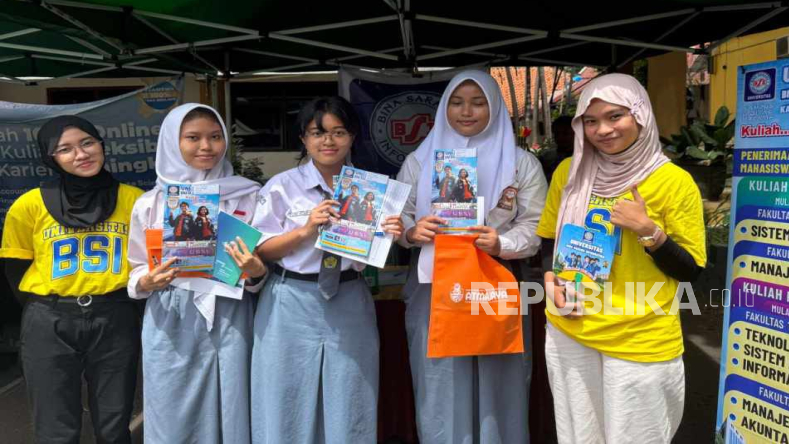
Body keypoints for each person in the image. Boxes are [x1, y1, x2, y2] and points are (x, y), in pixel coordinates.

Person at [538, 74, 706, 444]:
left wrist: (649, 231)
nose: (603, 130)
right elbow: (549, 239)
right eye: (591, 121)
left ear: (640, 115)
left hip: (638, 338)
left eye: (615, 116)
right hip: (570, 329)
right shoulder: (569, 171)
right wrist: (549, 280)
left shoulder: (674, 182)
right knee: (579, 436)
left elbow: (690, 270)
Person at [397, 70, 547, 444]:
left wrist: (503, 243)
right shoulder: (420, 161)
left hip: (496, 278)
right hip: (435, 282)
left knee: (501, 380)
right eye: (457, 102)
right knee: (440, 381)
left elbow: (536, 225)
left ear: (494, 107)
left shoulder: (520, 163)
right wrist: (412, 231)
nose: (467, 112)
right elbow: (397, 215)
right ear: (444, 108)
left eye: (478, 103)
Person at [250, 96, 404, 444]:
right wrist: (306, 230)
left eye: (339, 132)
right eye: (318, 133)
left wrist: (390, 234)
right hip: (289, 300)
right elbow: (262, 250)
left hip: (349, 296)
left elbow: (373, 254)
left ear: (352, 137)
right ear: (303, 139)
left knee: (351, 395)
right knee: (285, 397)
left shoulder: (373, 189)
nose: (328, 141)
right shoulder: (281, 186)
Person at [127, 104, 266, 444]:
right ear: (172, 143)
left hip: (231, 312)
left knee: (232, 403)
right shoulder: (151, 203)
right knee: (171, 409)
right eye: (193, 138)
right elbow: (136, 266)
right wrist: (146, 281)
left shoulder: (249, 195)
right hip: (172, 315)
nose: (206, 146)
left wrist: (256, 272)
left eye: (215, 137)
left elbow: (262, 265)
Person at [0, 115, 143, 444]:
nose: (81, 154)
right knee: (55, 426)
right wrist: (51, 307)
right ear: (50, 157)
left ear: (101, 145)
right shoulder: (29, 205)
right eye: (65, 149)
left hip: (114, 316)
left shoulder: (135, 200)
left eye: (87, 143)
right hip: (49, 319)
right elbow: (15, 268)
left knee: (114, 422)